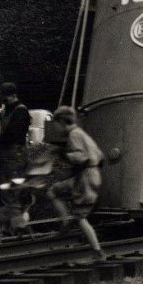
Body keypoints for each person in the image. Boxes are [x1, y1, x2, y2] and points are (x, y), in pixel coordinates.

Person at [46, 106, 106, 261]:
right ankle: (66, 221)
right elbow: (100, 156)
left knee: (80, 216)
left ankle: (97, 251)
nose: (56, 128)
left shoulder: (73, 135)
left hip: (85, 177)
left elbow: (80, 156)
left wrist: (63, 155)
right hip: (92, 175)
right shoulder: (82, 133)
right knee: (54, 191)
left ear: (61, 122)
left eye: (56, 124)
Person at [0, 82, 31, 204]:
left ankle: (12, 218)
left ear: (14, 96)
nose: (3, 102)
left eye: (5, 98)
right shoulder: (4, 111)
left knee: (10, 192)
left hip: (14, 156)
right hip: (2, 155)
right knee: (0, 190)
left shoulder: (21, 111)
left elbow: (13, 135)